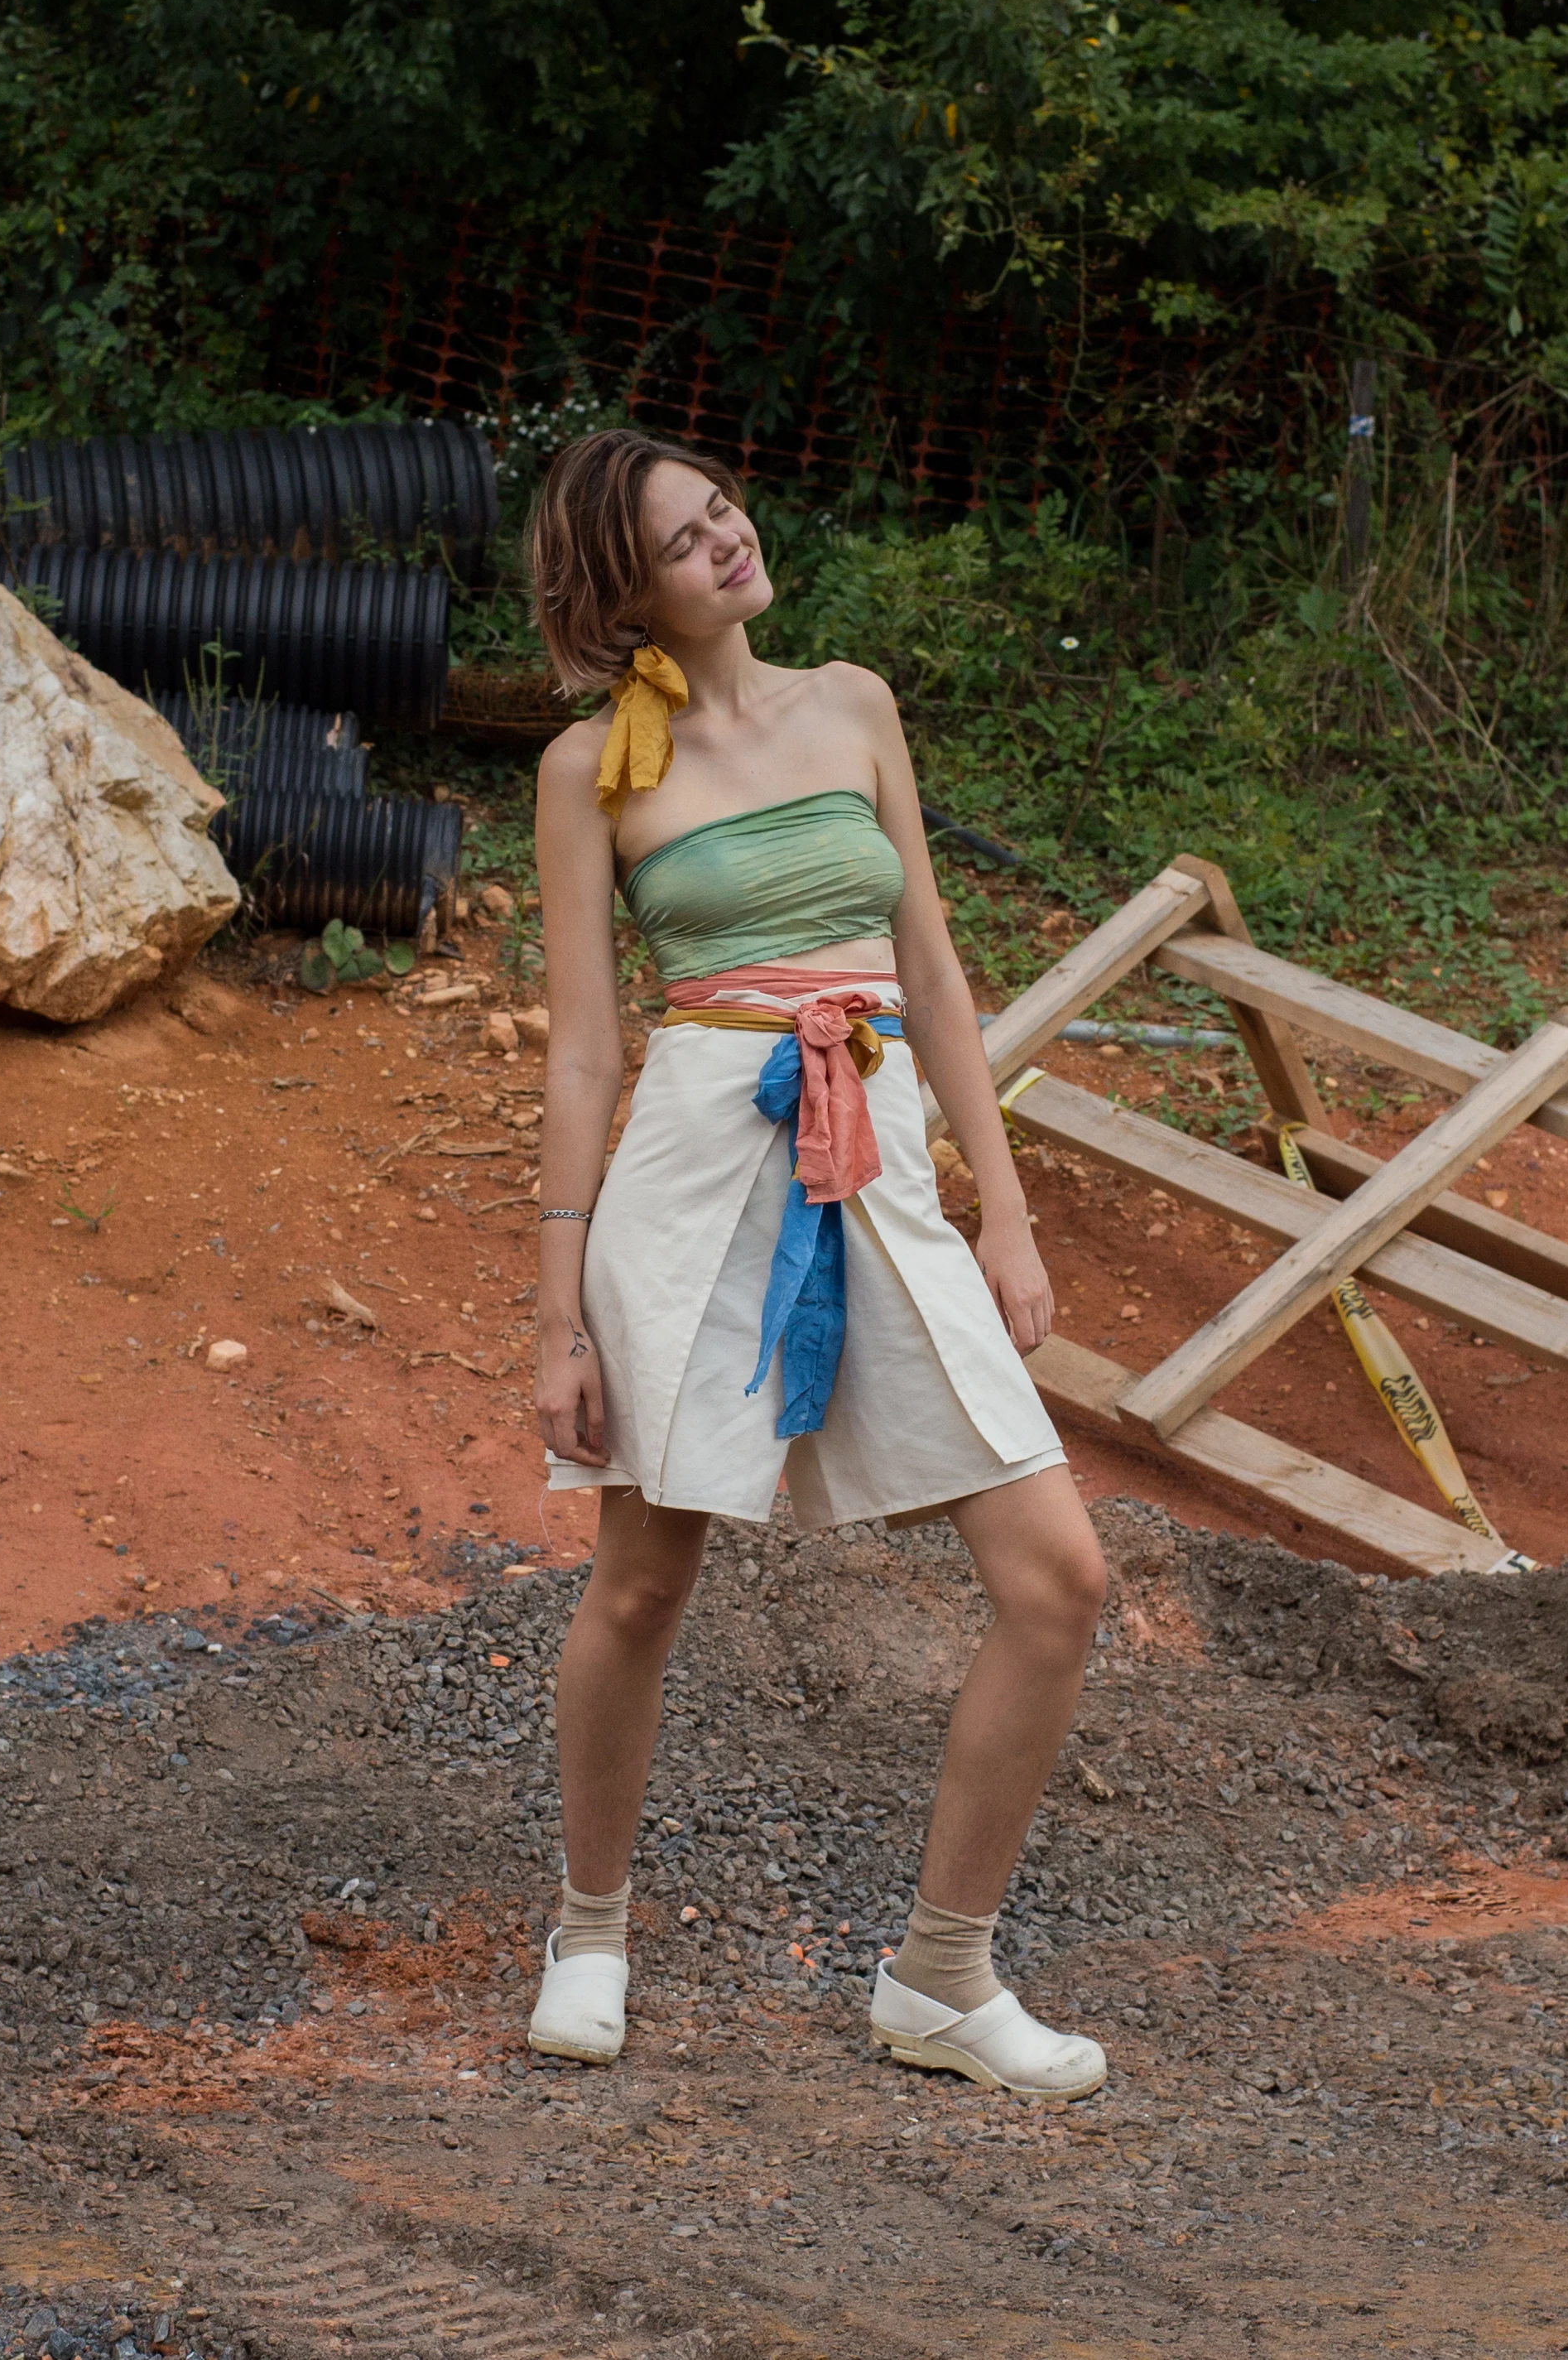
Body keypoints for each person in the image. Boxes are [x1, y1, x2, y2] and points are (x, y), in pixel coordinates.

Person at [525, 428, 1109, 2099]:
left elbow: (927, 965)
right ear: (618, 584)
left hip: (879, 1160)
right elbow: (582, 1053)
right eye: (682, 536)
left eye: (723, 510)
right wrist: (552, 1311)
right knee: (640, 1582)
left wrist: (1002, 1208)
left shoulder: (852, 701)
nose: (726, 541)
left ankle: (939, 1974)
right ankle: (587, 1930)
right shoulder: (592, 771)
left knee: (1055, 1576)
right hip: (699, 1165)